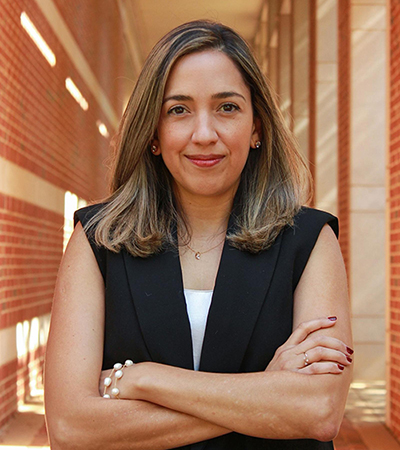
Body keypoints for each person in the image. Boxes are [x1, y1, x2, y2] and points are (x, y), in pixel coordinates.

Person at [44, 20, 353, 450]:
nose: (204, 134)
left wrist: (144, 378)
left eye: (227, 107)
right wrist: (265, 394)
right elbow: (70, 427)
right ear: (153, 133)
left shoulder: (309, 241)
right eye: (178, 110)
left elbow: (318, 410)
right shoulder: (99, 241)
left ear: (257, 127)